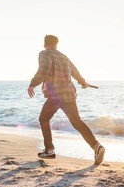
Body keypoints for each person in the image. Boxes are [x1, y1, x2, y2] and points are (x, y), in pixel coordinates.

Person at [27, 35, 105, 165]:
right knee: (77, 122)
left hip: (55, 95)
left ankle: (49, 150)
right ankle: (97, 147)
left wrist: (32, 84)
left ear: (44, 44)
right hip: (69, 94)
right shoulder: (64, 57)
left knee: (43, 119)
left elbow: (44, 69)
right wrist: (83, 82)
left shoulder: (44, 54)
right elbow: (75, 72)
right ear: (56, 44)